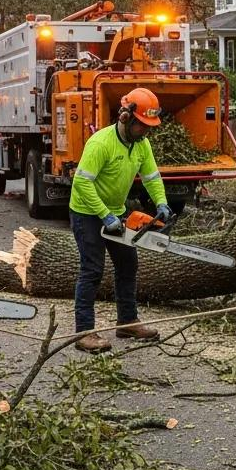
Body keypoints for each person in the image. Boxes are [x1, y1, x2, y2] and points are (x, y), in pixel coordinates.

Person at [69, 87, 172, 352]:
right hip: (87, 212)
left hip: (115, 210)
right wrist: (104, 215)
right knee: (92, 269)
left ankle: (127, 320)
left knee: (128, 264)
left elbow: (151, 177)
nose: (146, 131)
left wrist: (161, 202)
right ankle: (84, 332)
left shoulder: (142, 144)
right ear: (126, 118)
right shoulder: (101, 143)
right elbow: (81, 182)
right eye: (143, 125)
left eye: (150, 126)